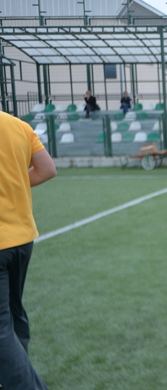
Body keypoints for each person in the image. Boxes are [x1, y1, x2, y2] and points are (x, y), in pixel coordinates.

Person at [0, 111, 57, 390]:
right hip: (23, 238)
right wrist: (16, 184)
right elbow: (47, 169)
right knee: (14, 315)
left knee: (1, 330)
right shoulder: (19, 126)